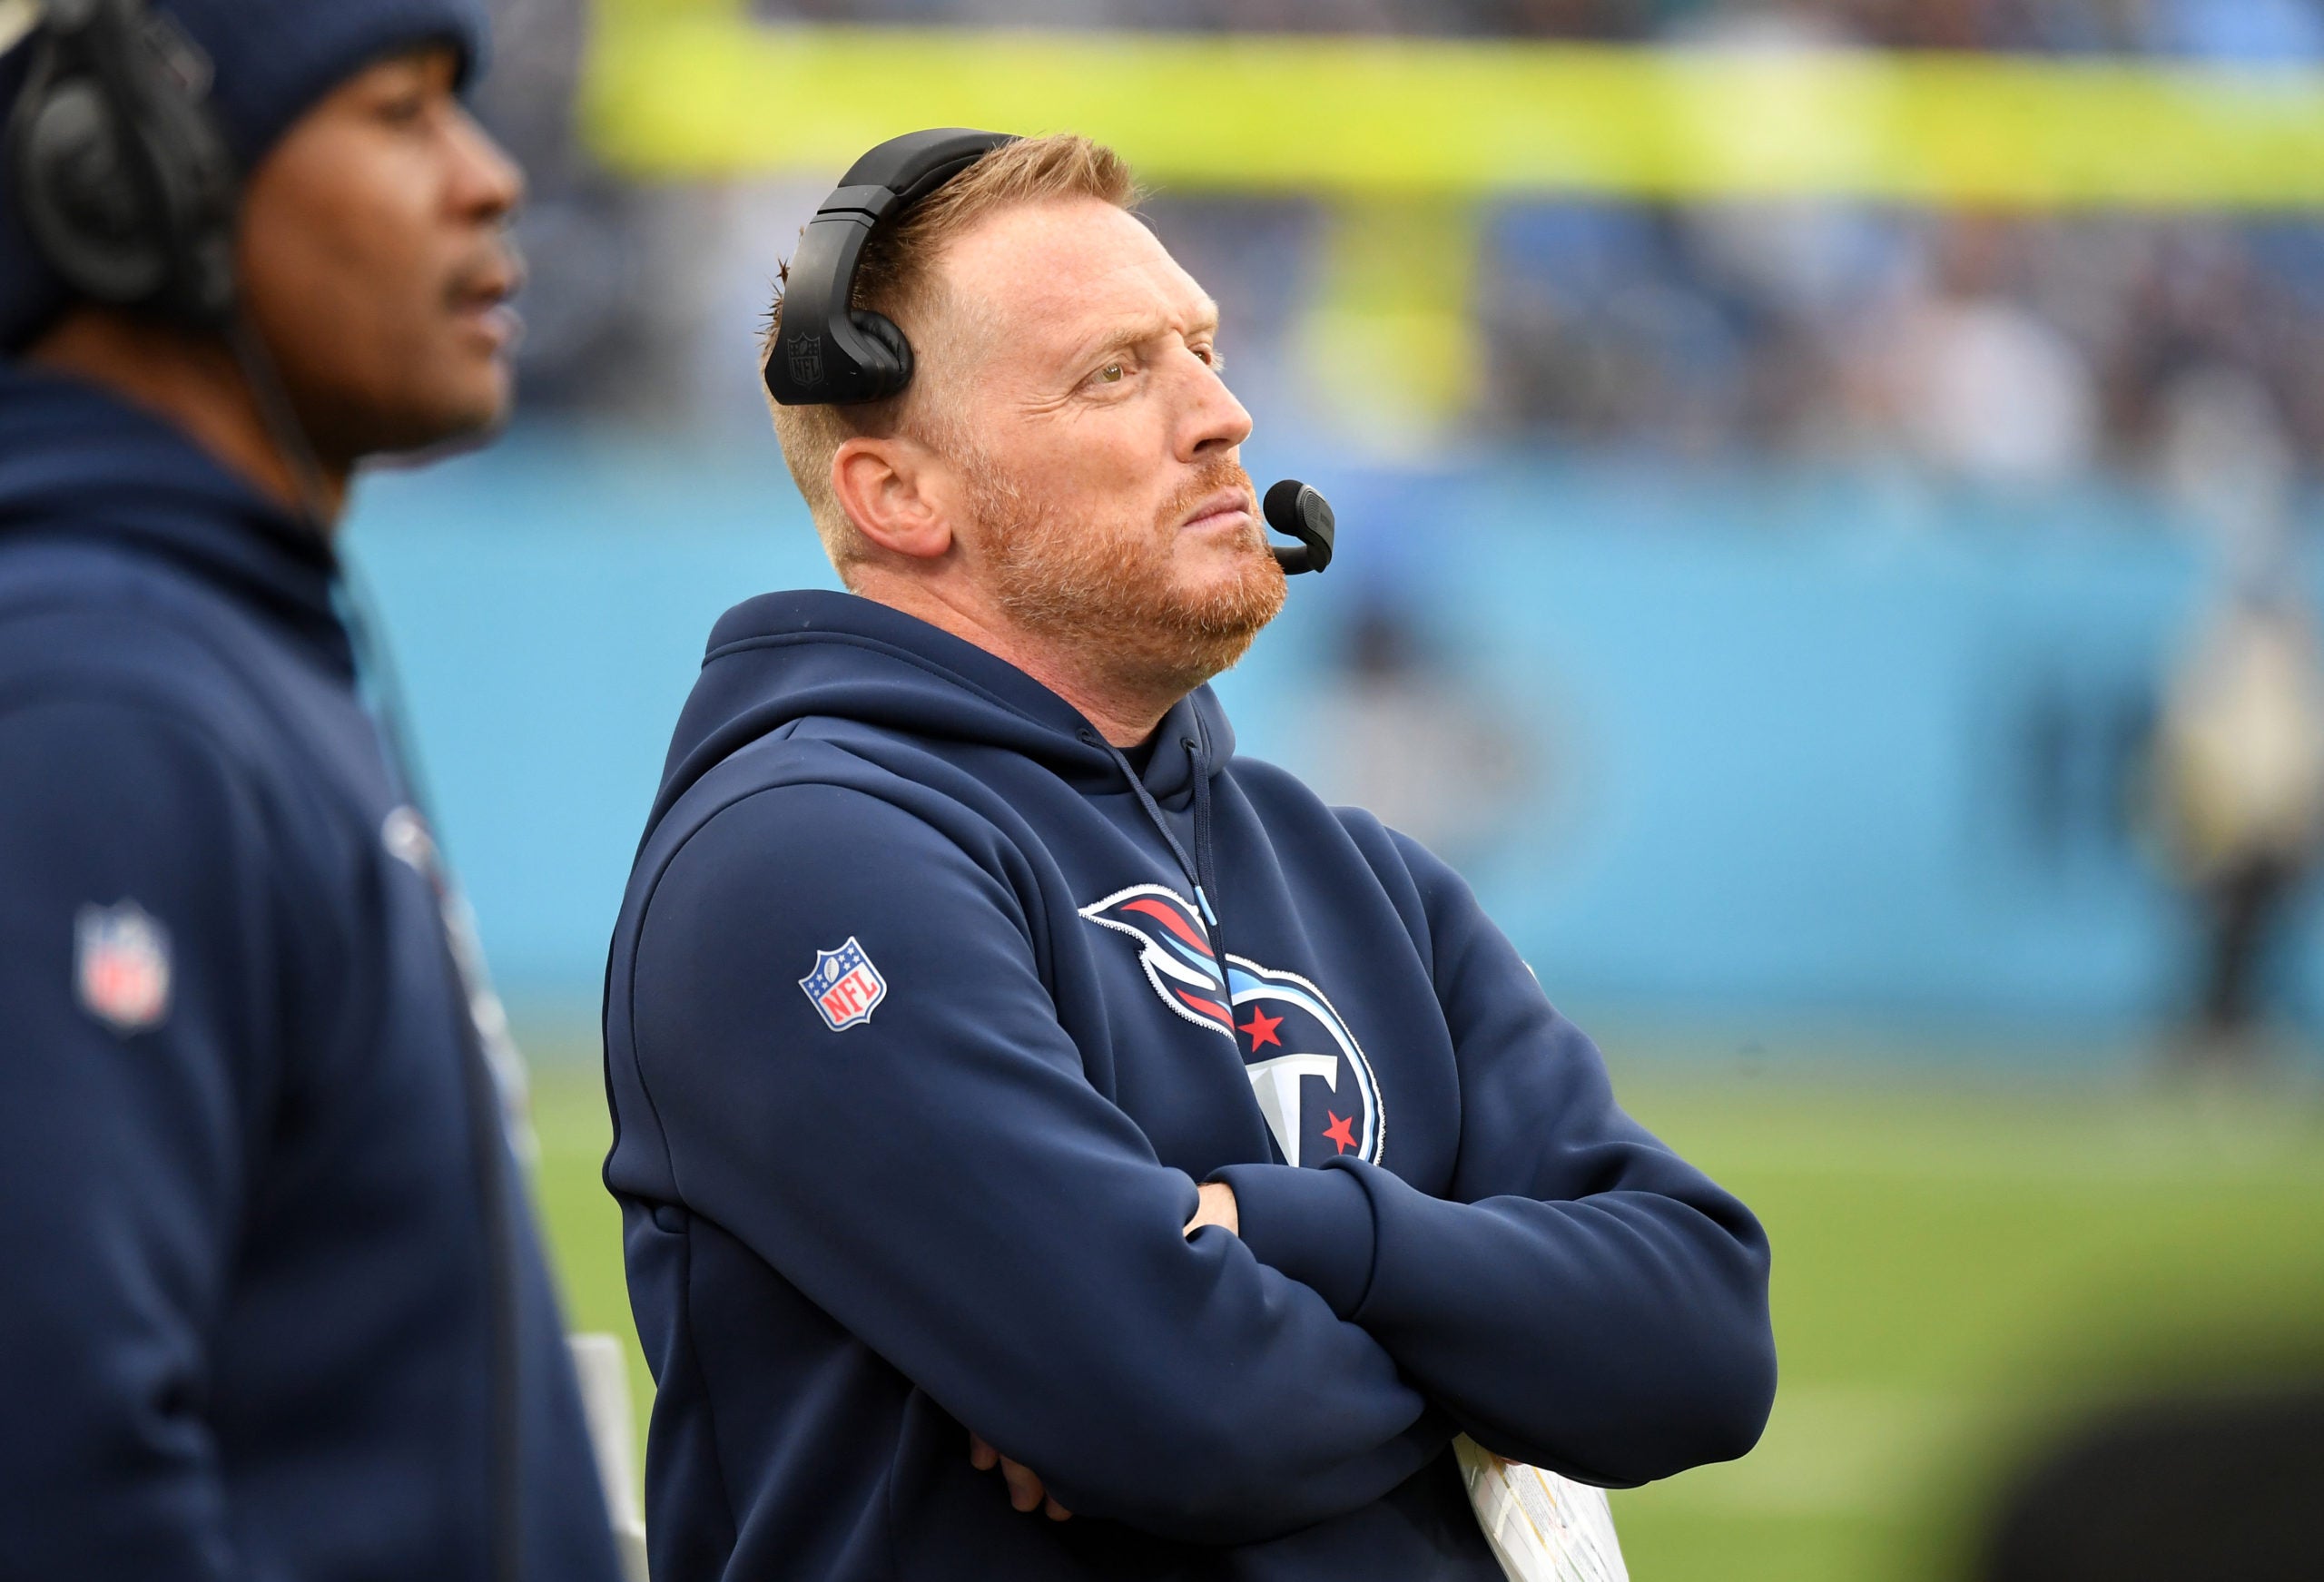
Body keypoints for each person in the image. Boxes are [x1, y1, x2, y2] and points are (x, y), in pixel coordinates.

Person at [604, 132, 1776, 1581]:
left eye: (1204, 349)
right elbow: (1187, 1408)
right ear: (901, 495)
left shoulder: (1362, 876)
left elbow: (1708, 1340)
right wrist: (1496, 1378)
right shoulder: (798, 857)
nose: (1221, 413)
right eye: (1115, 373)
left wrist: (1294, 1239)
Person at [0, 4, 623, 1578]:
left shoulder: (219, 658)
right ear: (128, 193)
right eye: (400, 114)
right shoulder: (101, 702)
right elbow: (58, 1455)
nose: (489, 179)